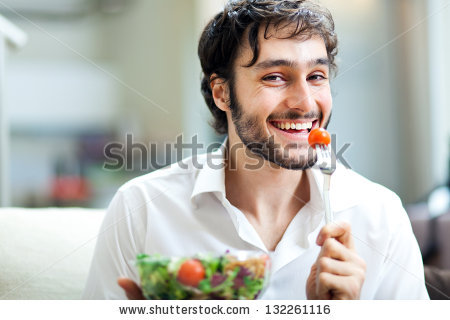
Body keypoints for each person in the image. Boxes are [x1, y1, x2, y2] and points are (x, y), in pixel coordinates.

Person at [83, 0, 429, 299]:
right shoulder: (141, 209)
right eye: (275, 77)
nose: (305, 103)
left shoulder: (379, 215)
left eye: (317, 76)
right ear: (222, 93)